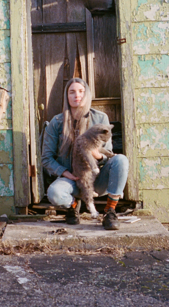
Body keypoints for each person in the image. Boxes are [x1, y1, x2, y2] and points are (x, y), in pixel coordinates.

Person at [42, 77, 129, 230]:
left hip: (96, 179)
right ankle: (73, 206)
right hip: (72, 180)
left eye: (81, 91)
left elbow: (108, 153)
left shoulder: (100, 118)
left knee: (121, 160)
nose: (77, 95)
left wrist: (97, 155)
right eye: (72, 92)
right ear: (66, 96)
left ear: (87, 94)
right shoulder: (56, 123)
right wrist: (65, 173)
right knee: (55, 193)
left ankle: (110, 211)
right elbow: (46, 159)